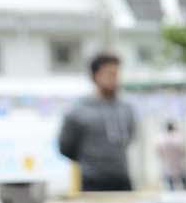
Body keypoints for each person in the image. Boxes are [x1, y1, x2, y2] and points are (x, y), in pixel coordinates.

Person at [57, 53, 135, 192]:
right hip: (92, 181)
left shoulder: (125, 108)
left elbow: (129, 137)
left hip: (122, 178)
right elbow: (66, 147)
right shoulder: (78, 110)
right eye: (110, 74)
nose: (115, 79)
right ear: (95, 76)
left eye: (116, 74)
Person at [156, 121, 186, 191]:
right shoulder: (178, 138)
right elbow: (184, 151)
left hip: (168, 164)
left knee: (170, 183)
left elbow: (158, 151)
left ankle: (172, 192)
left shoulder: (162, 139)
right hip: (178, 163)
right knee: (182, 181)